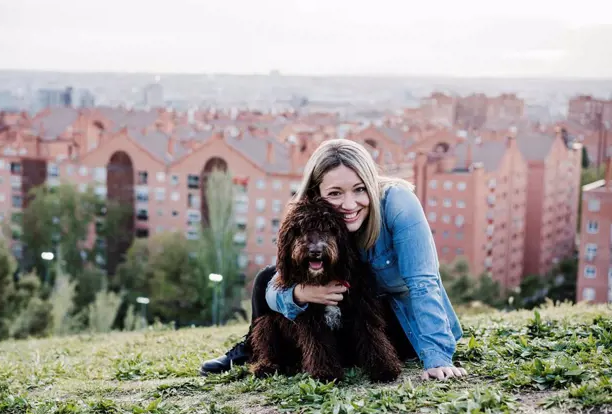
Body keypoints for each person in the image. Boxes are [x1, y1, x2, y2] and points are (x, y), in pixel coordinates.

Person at [200, 139, 467, 381]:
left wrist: (437, 357)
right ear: (318, 194)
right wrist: (301, 293)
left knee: (364, 316)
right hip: (345, 319)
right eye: (335, 193)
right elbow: (281, 278)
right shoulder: (314, 217)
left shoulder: (398, 203)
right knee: (264, 279)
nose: (349, 205)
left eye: (359, 189)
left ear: (371, 185)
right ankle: (255, 349)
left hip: (398, 319)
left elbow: (423, 283)